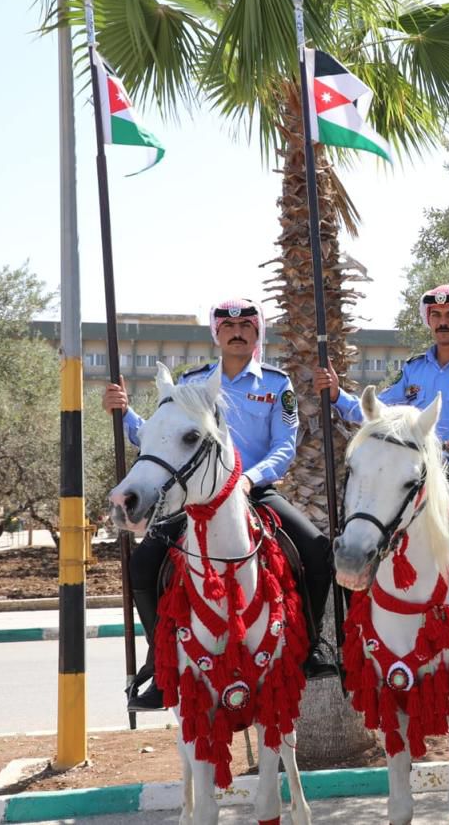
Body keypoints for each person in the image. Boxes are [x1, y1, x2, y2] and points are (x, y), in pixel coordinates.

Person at [104, 298, 338, 711]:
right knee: (141, 565)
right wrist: (125, 415)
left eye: (246, 326)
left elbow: (284, 447)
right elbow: (162, 439)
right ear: (217, 334)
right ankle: (160, 666)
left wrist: (248, 478)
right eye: (228, 327)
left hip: (253, 489)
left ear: (257, 334)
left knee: (318, 551)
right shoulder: (192, 382)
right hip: (194, 496)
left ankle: (311, 647)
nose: (237, 333)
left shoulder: (276, 384)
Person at [314, 284, 449, 671]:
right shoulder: (414, 368)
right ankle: (354, 634)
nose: (443, 322)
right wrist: (336, 397)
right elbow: (380, 411)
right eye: (436, 316)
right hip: (411, 477)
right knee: (357, 534)